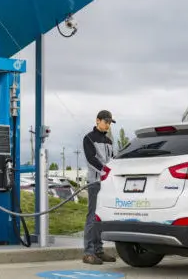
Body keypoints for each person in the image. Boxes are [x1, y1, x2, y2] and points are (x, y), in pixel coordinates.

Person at [82, 110, 117, 265]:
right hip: (95, 182)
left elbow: (113, 160)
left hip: (107, 183)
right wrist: (105, 172)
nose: (108, 125)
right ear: (97, 120)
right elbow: (91, 159)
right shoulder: (89, 138)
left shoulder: (109, 141)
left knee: (101, 218)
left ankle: (99, 250)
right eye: (106, 121)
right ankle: (88, 252)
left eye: (110, 122)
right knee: (92, 217)